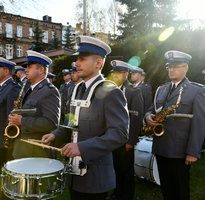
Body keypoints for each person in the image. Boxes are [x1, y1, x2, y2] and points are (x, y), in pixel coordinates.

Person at [42, 36, 129, 200]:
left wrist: (82, 148)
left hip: (95, 177)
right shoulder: (77, 89)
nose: (76, 63)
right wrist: (56, 134)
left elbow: (119, 134)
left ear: (98, 63)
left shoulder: (111, 91)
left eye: (82, 59)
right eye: (76, 59)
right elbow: (71, 123)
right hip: (74, 175)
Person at [145, 50, 205, 200]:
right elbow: (151, 109)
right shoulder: (161, 89)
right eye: (169, 66)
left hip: (180, 150)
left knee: (180, 190)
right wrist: (148, 117)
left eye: (176, 66)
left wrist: (193, 152)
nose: (171, 69)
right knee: (166, 188)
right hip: (161, 146)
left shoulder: (196, 90)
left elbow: (200, 123)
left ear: (185, 68)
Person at [9, 50, 60, 159]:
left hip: (35, 152)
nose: (25, 70)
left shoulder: (49, 91)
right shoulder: (31, 88)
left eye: (29, 67)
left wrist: (22, 121)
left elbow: (51, 123)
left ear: (41, 70)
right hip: (23, 148)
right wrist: (15, 117)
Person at [109, 60, 143, 200]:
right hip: (111, 137)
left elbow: (136, 118)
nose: (114, 76)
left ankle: (127, 195)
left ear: (125, 74)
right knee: (114, 167)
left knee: (126, 170)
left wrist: (131, 141)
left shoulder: (134, 91)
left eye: (118, 73)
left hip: (125, 139)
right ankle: (116, 193)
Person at [0, 56, 21, 174]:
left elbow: (11, 119)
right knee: (0, 169)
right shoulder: (0, 88)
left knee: (7, 171)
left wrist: (8, 141)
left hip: (4, 141)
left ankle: (6, 192)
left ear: (6, 71)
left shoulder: (12, 89)